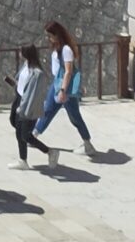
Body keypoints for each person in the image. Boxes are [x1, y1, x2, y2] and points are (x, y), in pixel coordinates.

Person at [32, 21, 97, 156]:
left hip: (63, 87)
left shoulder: (66, 50)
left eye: (50, 36)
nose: (48, 39)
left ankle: (87, 143)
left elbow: (68, 71)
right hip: (57, 83)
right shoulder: (58, 48)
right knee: (47, 110)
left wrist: (63, 90)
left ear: (57, 35)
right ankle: (33, 136)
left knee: (74, 116)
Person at [10, 45, 56, 170]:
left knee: (25, 135)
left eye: (21, 51)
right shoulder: (26, 65)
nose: (19, 53)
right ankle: (23, 160)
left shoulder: (37, 73)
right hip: (19, 99)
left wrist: (23, 108)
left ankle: (50, 152)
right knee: (18, 131)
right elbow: (22, 83)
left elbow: (32, 94)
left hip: (27, 104)